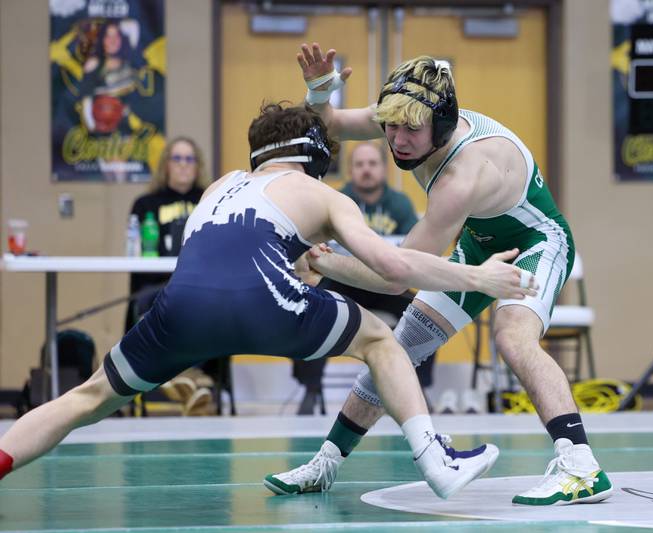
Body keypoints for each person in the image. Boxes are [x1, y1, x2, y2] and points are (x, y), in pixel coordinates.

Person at [0, 102, 538, 501]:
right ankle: (436, 460)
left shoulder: (218, 186)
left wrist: (312, 261)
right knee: (379, 339)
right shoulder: (321, 194)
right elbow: (394, 272)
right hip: (267, 302)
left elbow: (234, 253)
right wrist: (479, 277)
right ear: (316, 155)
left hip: (179, 312)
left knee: (89, 398)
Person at [264, 44, 613, 506]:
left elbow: (395, 277)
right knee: (396, 348)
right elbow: (331, 125)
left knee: (512, 336)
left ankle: (580, 465)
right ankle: (325, 462)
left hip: (534, 243)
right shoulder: (409, 110)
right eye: (389, 127)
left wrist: (324, 262)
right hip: (477, 244)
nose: (397, 140)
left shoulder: (461, 177)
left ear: (441, 126)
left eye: (410, 130)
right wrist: (318, 91)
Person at [292, 141, 437, 414]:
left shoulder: (400, 204)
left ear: (383, 167)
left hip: (386, 283)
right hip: (342, 279)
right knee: (307, 308)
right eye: (360, 164)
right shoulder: (336, 200)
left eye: (372, 164)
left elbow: (411, 251)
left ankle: (421, 387)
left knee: (426, 313)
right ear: (350, 170)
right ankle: (310, 389)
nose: (366, 170)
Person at [126, 137, 215, 416]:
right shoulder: (145, 204)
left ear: (198, 165)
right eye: (177, 158)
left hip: (200, 287)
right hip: (157, 287)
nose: (183, 166)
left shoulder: (210, 200)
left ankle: (181, 377)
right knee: (170, 302)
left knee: (208, 305)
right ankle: (193, 378)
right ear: (165, 165)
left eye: (189, 159)